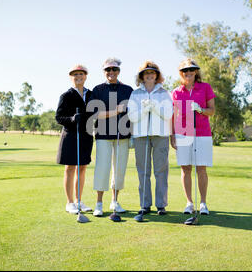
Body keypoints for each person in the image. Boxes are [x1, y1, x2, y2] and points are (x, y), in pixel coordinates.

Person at [170, 58, 216, 215]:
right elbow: (172, 116)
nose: (188, 73)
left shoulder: (205, 87)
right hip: (182, 132)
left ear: (196, 71)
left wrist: (200, 109)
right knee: (185, 168)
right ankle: (189, 202)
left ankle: (203, 203)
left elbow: (212, 110)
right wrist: (172, 136)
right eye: (185, 71)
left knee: (201, 168)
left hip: (202, 133)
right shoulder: (176, 92)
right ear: (181, 73)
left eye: (191, 70)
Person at [89, 57, 133, 217]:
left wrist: (133, 133)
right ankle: (99, 204)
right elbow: (95, 114)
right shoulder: (98, 90)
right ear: (104, 72)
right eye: (108, 70)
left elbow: (132, 114)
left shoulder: (128, 90)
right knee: (102, 168)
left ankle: (115, 201)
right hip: (103, 135)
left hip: (123, 135)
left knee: (119, 169)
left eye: (114, 69)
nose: (111, 72)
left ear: (119, 71)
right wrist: (116, 111)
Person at [127, 60, 173, 215]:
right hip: (141, 136)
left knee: (161, 170)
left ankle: (161, 205)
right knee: (143, 171)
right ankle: (145, 205)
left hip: (160, 135)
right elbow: (132, 117)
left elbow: (168, 114)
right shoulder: (135, 93)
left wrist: (154, 106)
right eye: (146, 73)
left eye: (152, 73)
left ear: (157, 75)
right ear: (142, 76)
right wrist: (144, 110)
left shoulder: (164, 93)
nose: (149, 75)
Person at [55, 64, 94, 214]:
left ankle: (79, 201)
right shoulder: (66, 95)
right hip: (71, 135)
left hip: (86, 135)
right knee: (70, 168)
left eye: (81, 74)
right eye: (75, 74)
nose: (78, 77)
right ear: (71, 77)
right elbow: (58, 117)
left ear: (85, 76)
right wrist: (72, 119)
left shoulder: (90, 94)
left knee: (82, 167)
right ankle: (70, 202)